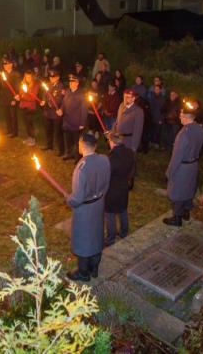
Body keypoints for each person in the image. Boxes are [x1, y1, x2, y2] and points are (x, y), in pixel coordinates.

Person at [65, 133, 110, 282]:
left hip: (84, 209)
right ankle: (94, 267)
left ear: (82, 145)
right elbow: (106, 183)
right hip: (98, 204)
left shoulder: (81, 168)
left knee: (84, 239)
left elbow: (77, 198)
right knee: (96, 235)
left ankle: (83, 272)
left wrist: (69, 199)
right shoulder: (104, 160)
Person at [163, 108, 203, 226]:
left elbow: (177, 156)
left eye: (181, 116)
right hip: (193, 164)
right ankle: (186, 212)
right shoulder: (200, 129)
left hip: (183, 167)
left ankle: (177, 217)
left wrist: (169, 172)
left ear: (186, 118)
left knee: (177, 191)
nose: (179, 117)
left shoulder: (183, 134)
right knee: (189, 189)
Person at [104, 133, 135, 247]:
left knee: (110, 213)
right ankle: (124, 231)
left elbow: (106, 174)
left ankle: (110, 238)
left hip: (112, 189)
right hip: (123, 187)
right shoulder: (129, 152)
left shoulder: (111, 158)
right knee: (122, 210)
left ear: (112, 142)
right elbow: (132, 168)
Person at [60, 74, 88, 162]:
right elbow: (64, 103)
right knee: (68, 139)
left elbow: (84, 109)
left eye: (73, 82)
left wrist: (82, 123)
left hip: (76, 122)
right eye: (70, 82)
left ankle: (77, 158)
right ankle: (69, 154)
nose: (71, 83)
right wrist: (61, 109)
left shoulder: (81, 94)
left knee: (77, 142)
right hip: (67, 121)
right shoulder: (68, 91)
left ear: (77, 83)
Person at [41, 69, 65, 156]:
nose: (51, 78)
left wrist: (53, 103)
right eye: (50, 77)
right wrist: (43, 101)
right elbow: (44, 94)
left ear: (58, 77)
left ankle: (61, 150)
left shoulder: (61, 87)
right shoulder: (47, 85)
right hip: (48, 112)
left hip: (56, 113)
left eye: (53, 77)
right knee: (48, 130)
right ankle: (49, 145)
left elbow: (61, 100)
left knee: (58, 132)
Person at [18, 69, 40, 146]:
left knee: (30, 123)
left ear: (32, 77)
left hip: (30, 107)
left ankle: (33, 139)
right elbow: (20, 93)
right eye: (26, 77)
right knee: (26, 123)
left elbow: (33, 97)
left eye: (29, 77)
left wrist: (24, 96)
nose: (28, 79)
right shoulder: (23, 83)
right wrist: (22, 96)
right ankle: (29, 137)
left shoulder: (35, 85)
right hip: (24, 105)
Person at [1, 57, 21, 138]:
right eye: (4, 64)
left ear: (11, 64)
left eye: (7, 64)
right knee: (7, 115)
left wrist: (14, 99)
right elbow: (2, 85)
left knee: (13, 116)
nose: (5, 66)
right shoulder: (3, 74)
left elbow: (17, 87)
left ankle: (14, 132)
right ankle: (9, 130)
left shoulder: (15, 74)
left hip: (12, 98)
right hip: (5, 98)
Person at [147, 84, 165, 149]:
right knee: (151, 130)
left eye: (157, 89)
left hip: (158, 117)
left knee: (157, 131)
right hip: (152, 116)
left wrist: (161, 119)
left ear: (160, 90)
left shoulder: (162, 98)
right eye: (155, 89)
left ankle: (156, 143)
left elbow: (163, 110)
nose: (156, 90)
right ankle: (151, 142)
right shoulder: (152, 96)